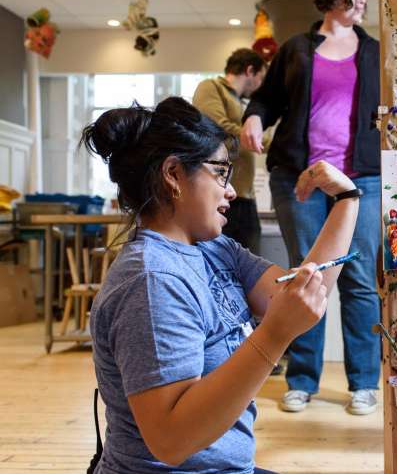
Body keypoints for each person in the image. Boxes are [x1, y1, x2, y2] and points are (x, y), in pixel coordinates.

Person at [82, 96, 361, 472]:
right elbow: (171, 441)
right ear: (174, 174)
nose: (230, 190)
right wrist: (274, 336)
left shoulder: (214, 249)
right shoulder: (152, 280)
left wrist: (347, 200)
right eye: (220, 173)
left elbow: (305, 294)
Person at [240, 0, 381, 416]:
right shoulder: (297, 50)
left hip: (361, 180)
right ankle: (302, 380)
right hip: (297, 177)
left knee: (358, 279)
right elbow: (265, 100)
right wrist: (254, 119)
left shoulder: (375, 51)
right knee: (308, 276)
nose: (363, 1)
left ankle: (364, 382)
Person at [192, 48, 266, 255]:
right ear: (250, 71)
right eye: (261, 77)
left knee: (249, 263)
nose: (261, 85)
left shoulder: (240, 102)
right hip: (223, 194)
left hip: (244, 194)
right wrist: (265, 140)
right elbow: (217, 130)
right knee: (223, 261)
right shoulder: (211, 87)